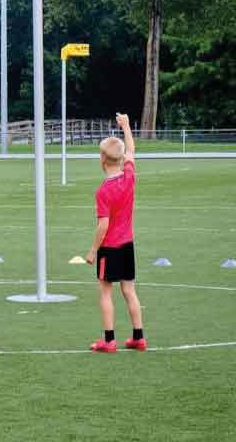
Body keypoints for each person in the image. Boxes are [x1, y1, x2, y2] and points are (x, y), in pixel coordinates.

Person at [85, 113, 146, 352]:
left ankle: (109, 340)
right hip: (127, 244)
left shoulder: (103, 191)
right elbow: (131, 150)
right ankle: (138, 337)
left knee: (105, 292)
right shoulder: (129, 177)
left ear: (102, 159)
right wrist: (126, 126)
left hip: (109, 248)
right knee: (129, 290)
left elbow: (103, 225)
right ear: (120, 159)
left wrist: (93, 250)